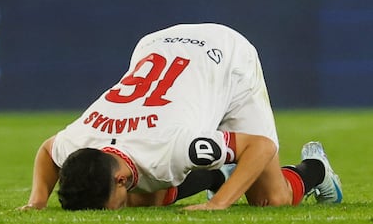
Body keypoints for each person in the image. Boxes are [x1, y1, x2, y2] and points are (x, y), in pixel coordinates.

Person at [19, 23, 342, 211]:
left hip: (225, 57)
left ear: (118, 179)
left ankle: (317, 170)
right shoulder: (77, 141)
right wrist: (37, 201)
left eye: (111, 206)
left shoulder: (173, 146)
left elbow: (260, 146)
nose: (114, 212)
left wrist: (220, 204)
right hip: (154, 44)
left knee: (271, 199)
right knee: (145, 194)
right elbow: (49, 149)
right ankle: (220, 172)